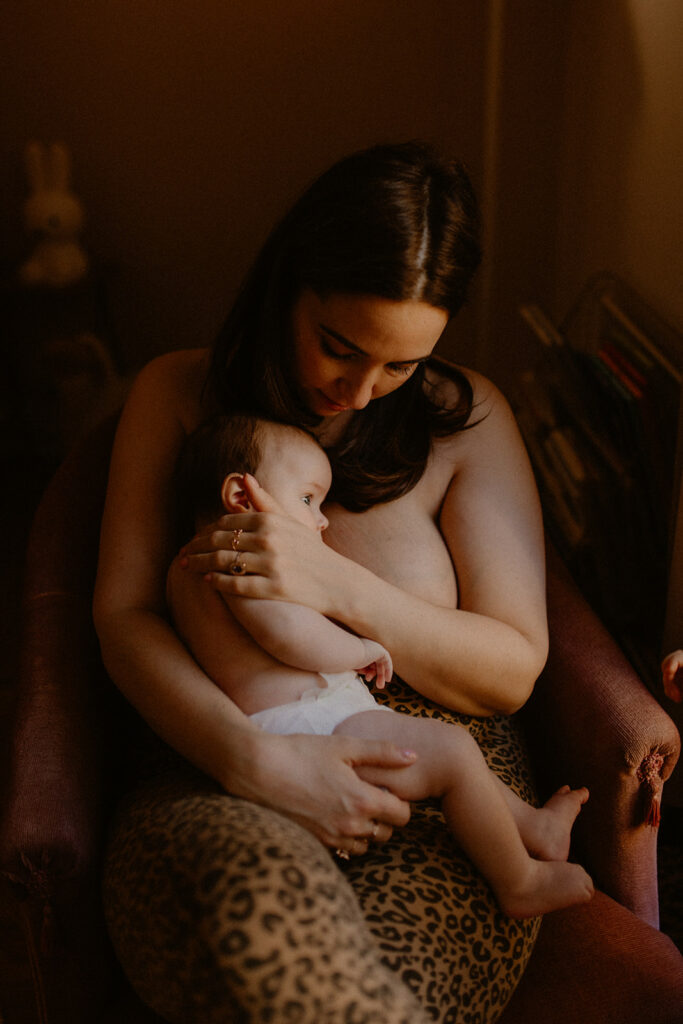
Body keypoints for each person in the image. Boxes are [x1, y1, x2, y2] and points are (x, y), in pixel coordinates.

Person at [94, 141, 551, 1023]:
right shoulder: (178, 395)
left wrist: (330, 581)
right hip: (213, 755)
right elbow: (124, 619)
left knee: (366, 988)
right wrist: (253, 760)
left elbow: (510, 668)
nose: (362, 389)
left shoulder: (469, 421)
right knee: (256, 921)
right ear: (286, 286)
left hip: (443, 797)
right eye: (339, 345)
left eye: (401, 364)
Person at [171, 411, 593, 921]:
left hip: (305, 717)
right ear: (242, 498)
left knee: (435, 743)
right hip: (310, 726)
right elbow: (287, 636)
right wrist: (361, 650)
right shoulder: (238, 560)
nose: (322, 520)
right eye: (308, 499)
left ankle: (532, 826)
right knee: (455, 752)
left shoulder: (185, 568)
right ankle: (519, 881)